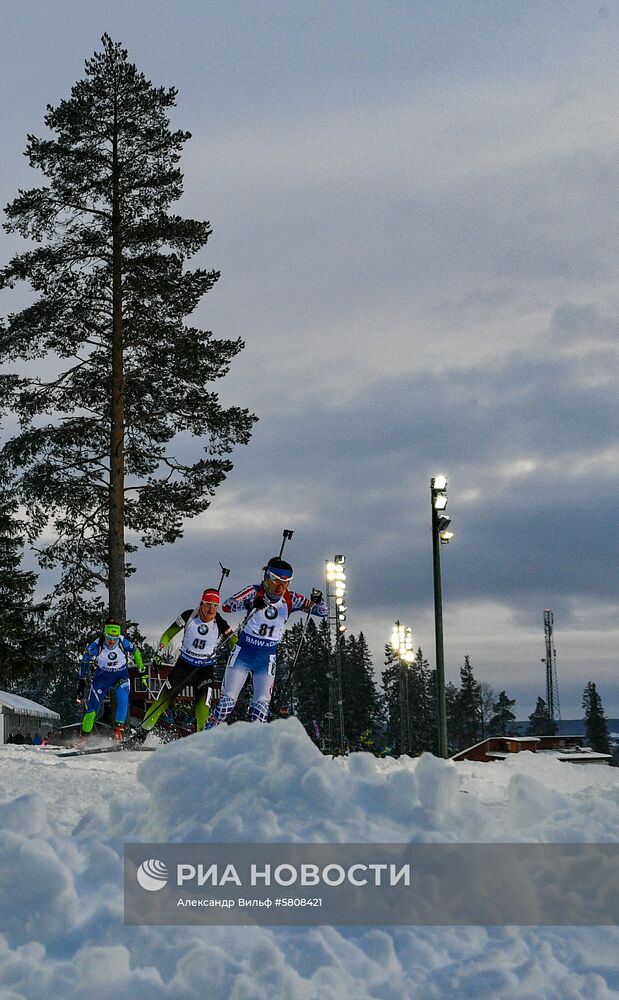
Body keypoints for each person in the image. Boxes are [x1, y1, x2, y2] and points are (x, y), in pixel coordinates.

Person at [204, 557, 327, 728]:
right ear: (267, 578)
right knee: (227, 704)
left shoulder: (291, 599)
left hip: (266, 659)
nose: (280, 587)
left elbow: (323, 612)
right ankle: (205, 734)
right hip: (243, 654)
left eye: (286, 582)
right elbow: (227, 606)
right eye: (276, 581)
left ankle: (253, 748)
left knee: (261, 710)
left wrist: (318, 600)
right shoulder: (254, 592)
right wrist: (252, 602)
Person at [132, 588, 232, 741]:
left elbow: (235, 642)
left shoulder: (220, 622)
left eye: (215, 605)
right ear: (201, 603)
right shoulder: (189, 615)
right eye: (208, 604)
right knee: (161, 701)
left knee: (203, 708)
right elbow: (168, 634)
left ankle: (202, 743)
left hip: (204, 670)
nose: (211, 609)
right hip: (183, 667)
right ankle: (139, 736)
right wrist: (159, 652)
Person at [76, 619, 145, 744]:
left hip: (120, 676)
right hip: (102, 678)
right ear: (104, 634)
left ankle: (118, 732)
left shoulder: (123, 642)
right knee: (92, 707)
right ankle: (83, 738)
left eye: (115, 638)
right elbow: (85, 661)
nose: (112, 641)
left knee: (123, 699)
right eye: (109, 638)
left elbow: (136, 652)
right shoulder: (96, 646)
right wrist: (81, 682)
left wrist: (142, 671)